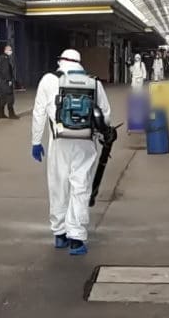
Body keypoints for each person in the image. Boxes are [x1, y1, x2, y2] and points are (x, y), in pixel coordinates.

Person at [30, 49, 112, 256]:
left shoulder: (49, 80)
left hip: (59, 141)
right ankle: (76, 238)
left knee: (58, 185)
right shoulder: (94, 83)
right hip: (85, 142)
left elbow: (39, 112)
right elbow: (105, 115)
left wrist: (36, 141)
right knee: (80, 187)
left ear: (61, 61)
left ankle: (60, 234)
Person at [0, 44, 18, 119]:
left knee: (2, 97)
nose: (11, 51)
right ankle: (11, 114)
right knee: (10, 97)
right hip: (6, 81)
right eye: (10, 50)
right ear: (5, 50)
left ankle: (1, 114)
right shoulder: (5, 58)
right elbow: (6, 70)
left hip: (1, 82)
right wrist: (9, 80)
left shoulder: (0, 58)